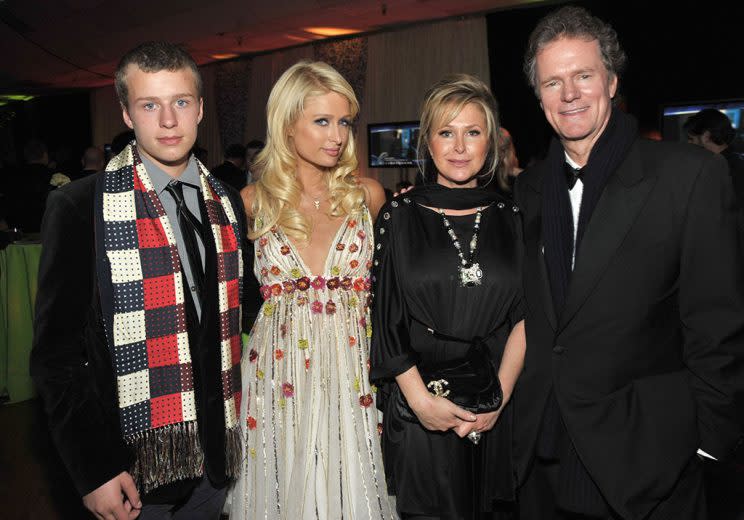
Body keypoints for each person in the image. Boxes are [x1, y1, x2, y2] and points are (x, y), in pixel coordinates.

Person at [512, 6, 744, 519]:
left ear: (612, 81)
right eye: (552, 82)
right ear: (539, 97)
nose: (568, 93)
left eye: (583, 76)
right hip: (542, 459)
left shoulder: (688, 177)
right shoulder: (528, 189)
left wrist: (710, 439)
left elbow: (716, 319)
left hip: (647, 460)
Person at [31, 41, 253, 520]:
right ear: (128, 115)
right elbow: (56, 357)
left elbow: (239, 314)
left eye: (180, 102)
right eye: (149, 105)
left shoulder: (228, 203)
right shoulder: (79, 207)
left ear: (199, 109)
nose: (168, 121)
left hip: (217, 451)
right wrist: (93, 470)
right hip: (130, 464)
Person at [228, 60, 394, 519]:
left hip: (357, 373)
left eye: (343, 122)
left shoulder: (368, 197)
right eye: (321, 121)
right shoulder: (249, 204)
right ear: (286, 124)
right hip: (280, 381)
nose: (336, 135)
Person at [370, 74, 526, 519]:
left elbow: (524, 317)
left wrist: (500, 399)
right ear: (428, 143)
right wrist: (422, 405)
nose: (459, 146)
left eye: (472, 132)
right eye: (446, 132)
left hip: (490, 396)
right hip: (422, 398)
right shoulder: (399, 214)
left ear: (490, 143)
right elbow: (386, 318)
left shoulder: (510, 215)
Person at [684, 108, 744, 204]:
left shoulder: (724, 168)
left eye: (691, 139)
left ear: (706, 136)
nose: (689, 143)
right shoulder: (733, 162)